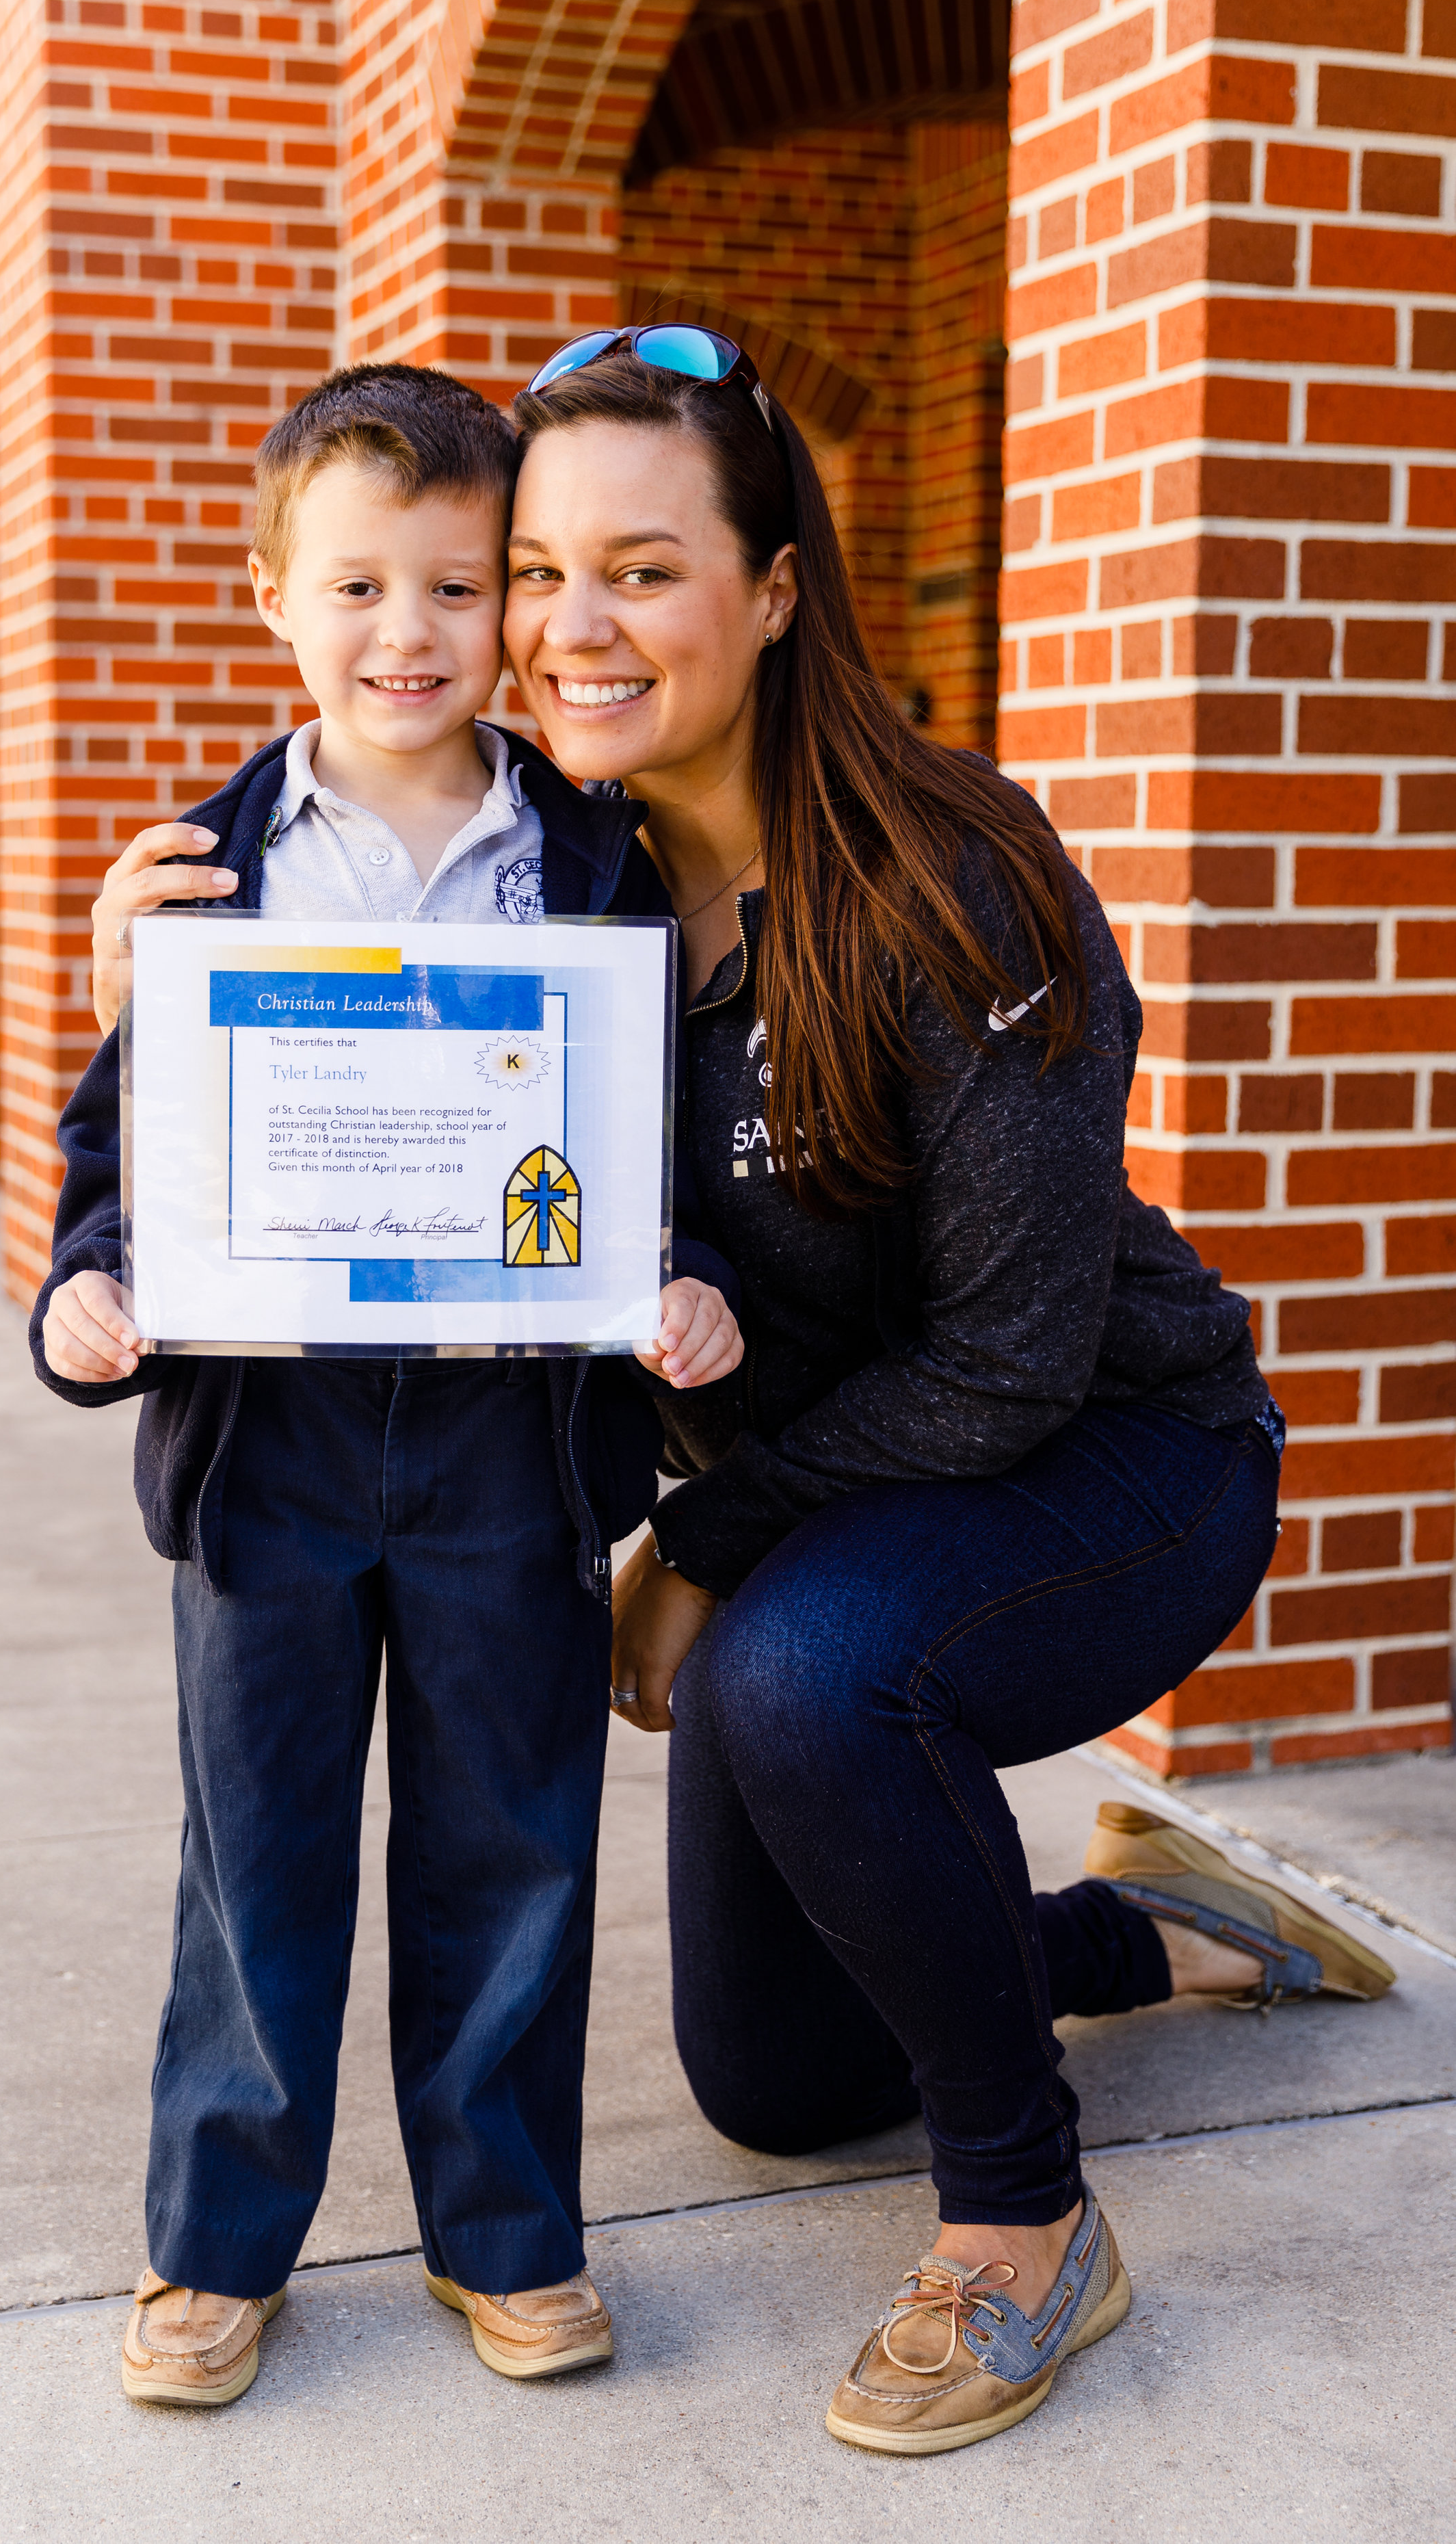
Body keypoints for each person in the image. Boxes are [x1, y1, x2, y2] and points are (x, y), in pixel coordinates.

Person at [499, 327, 1394, 2456]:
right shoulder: (560, 886)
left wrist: (696, 1546)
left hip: (1120, 1463)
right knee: (780, 2085)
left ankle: (1023, 2228)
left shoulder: (943, 871)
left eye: (639, 566)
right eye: (535, 571)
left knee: (792, 1679)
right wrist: (140, 970)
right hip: (831, 1505)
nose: (570, 628)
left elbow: (1006, 1359)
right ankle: (1142, 1924)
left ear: (777, 585)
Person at [32, 364, 744, 2408]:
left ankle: (504, 2235)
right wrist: (90, 1301)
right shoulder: (193, 874)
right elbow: (115, 1165)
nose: (410, 634)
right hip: (271, 1442)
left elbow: (651, 1158)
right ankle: (216, 2242)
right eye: (357, 586)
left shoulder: (593, 866)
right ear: (274, 595)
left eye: (454, 585)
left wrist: (677, 1286)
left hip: (507, 1442)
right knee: (254, 1849)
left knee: (509, 1842)